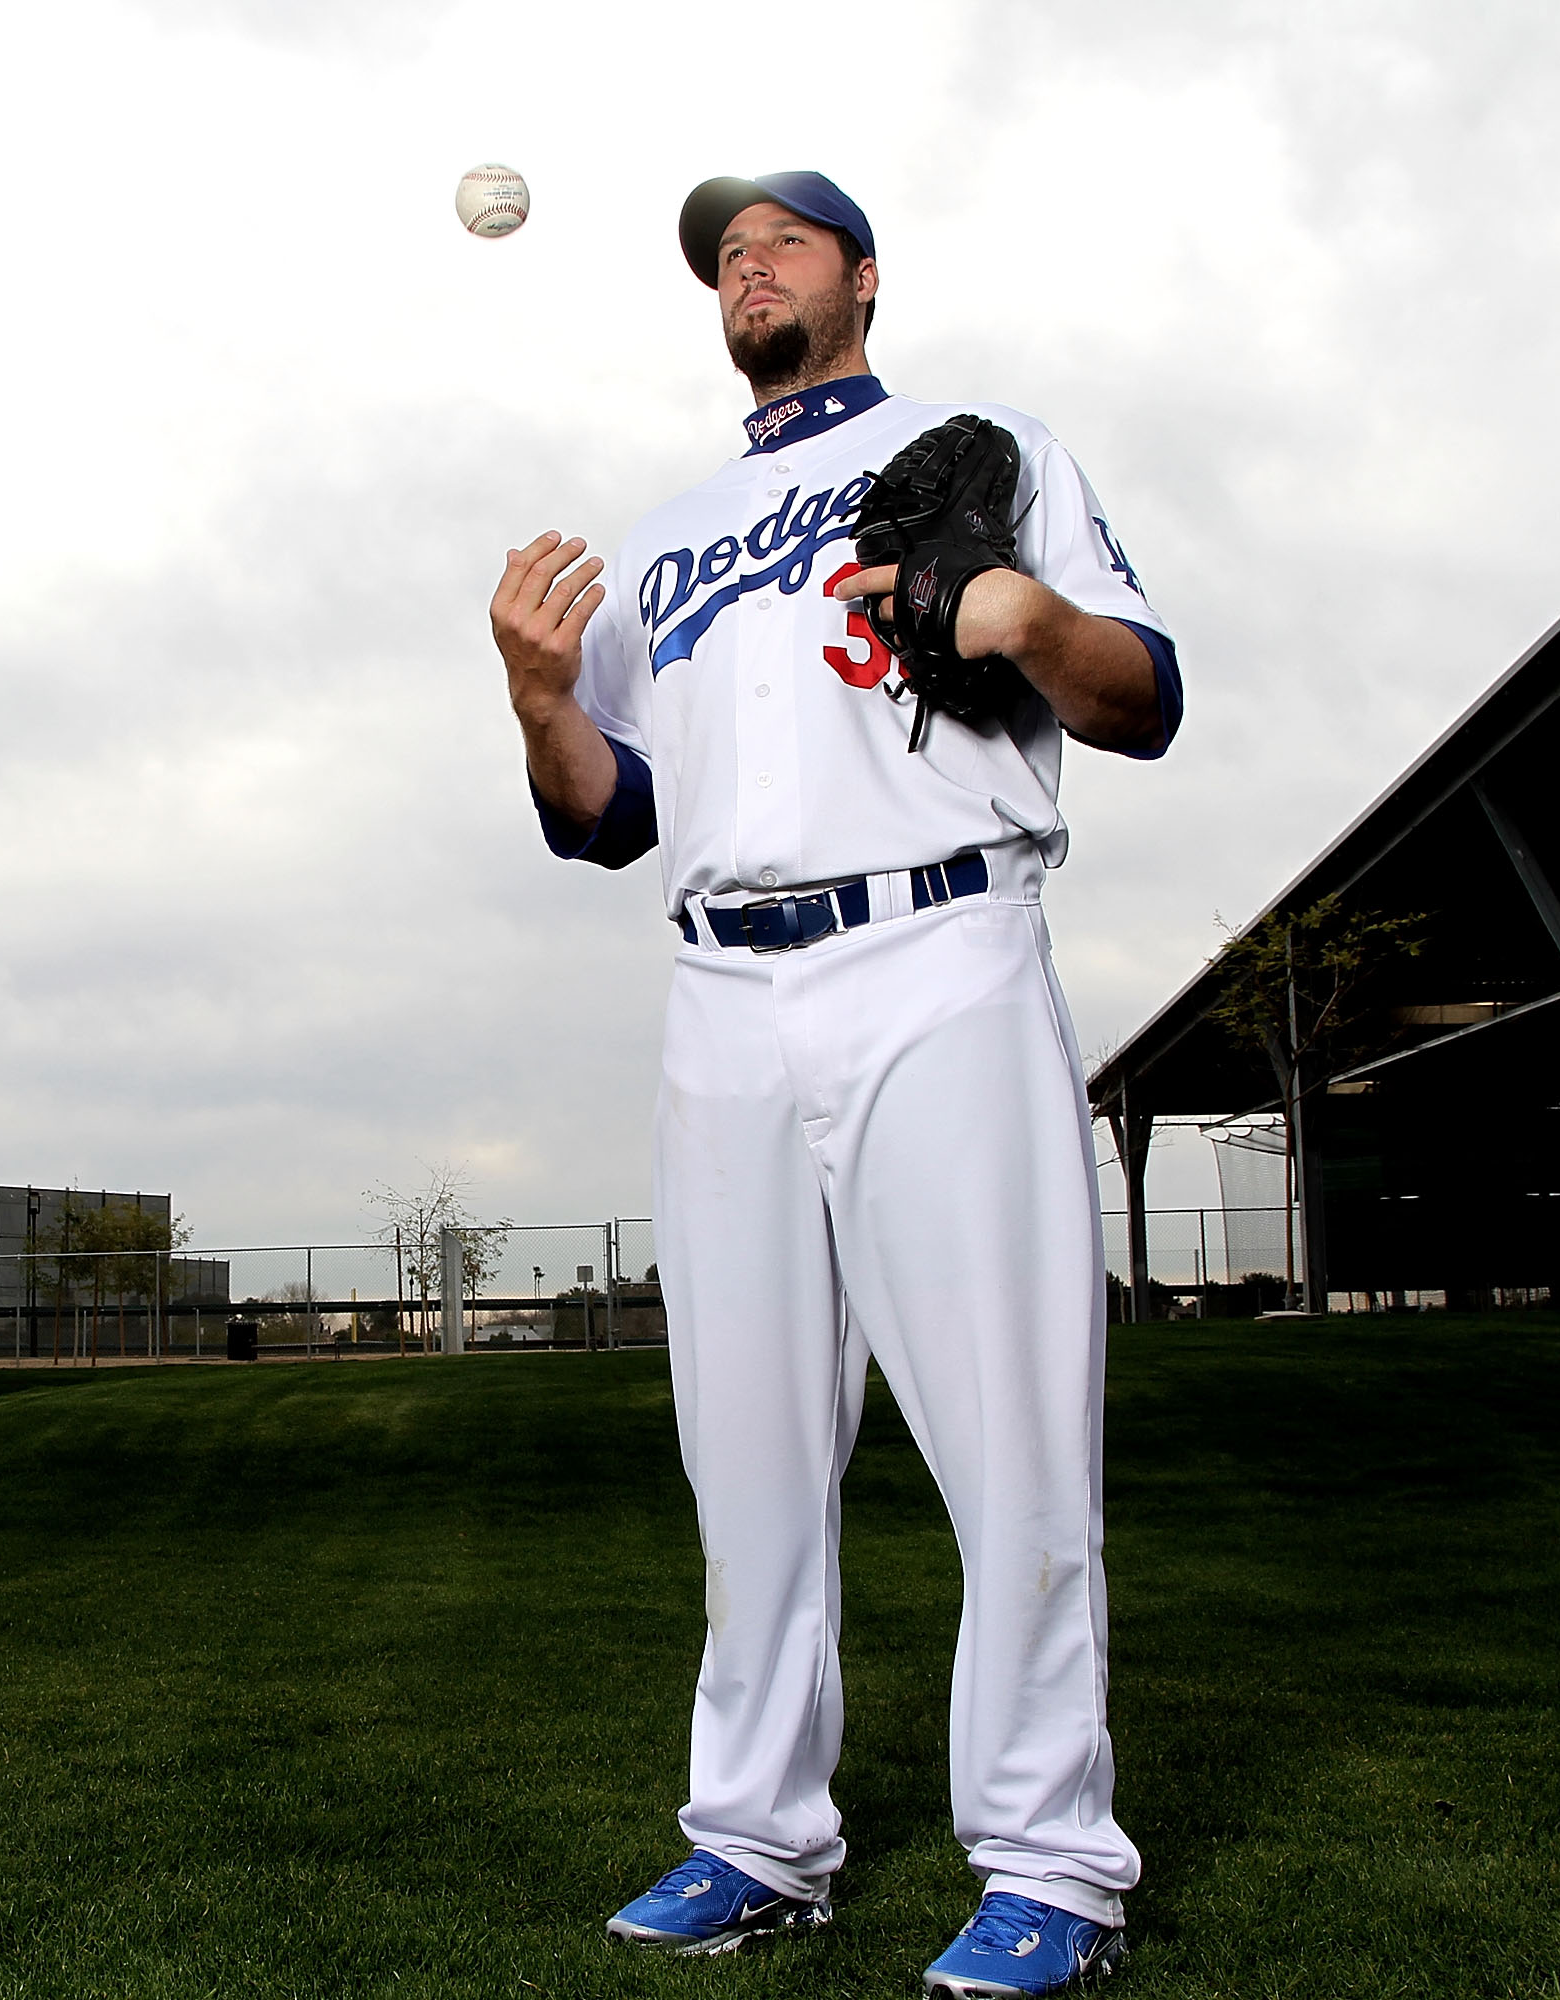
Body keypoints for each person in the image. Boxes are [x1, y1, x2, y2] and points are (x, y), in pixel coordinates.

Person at [486, 171, 1179, 1997]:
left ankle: (1049, 1864)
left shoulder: (987, 443)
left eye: (784, 239)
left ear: (862, 278)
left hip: (936, 955)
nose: (749, 262)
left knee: (1010, 1432)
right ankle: (757, 1840)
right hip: (720, 989)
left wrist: (1020, 619)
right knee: (750, 1457)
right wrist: (543, 696)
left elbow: (1141, 696)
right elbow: (608, 822)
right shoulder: (663, 540)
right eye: (727, 251)